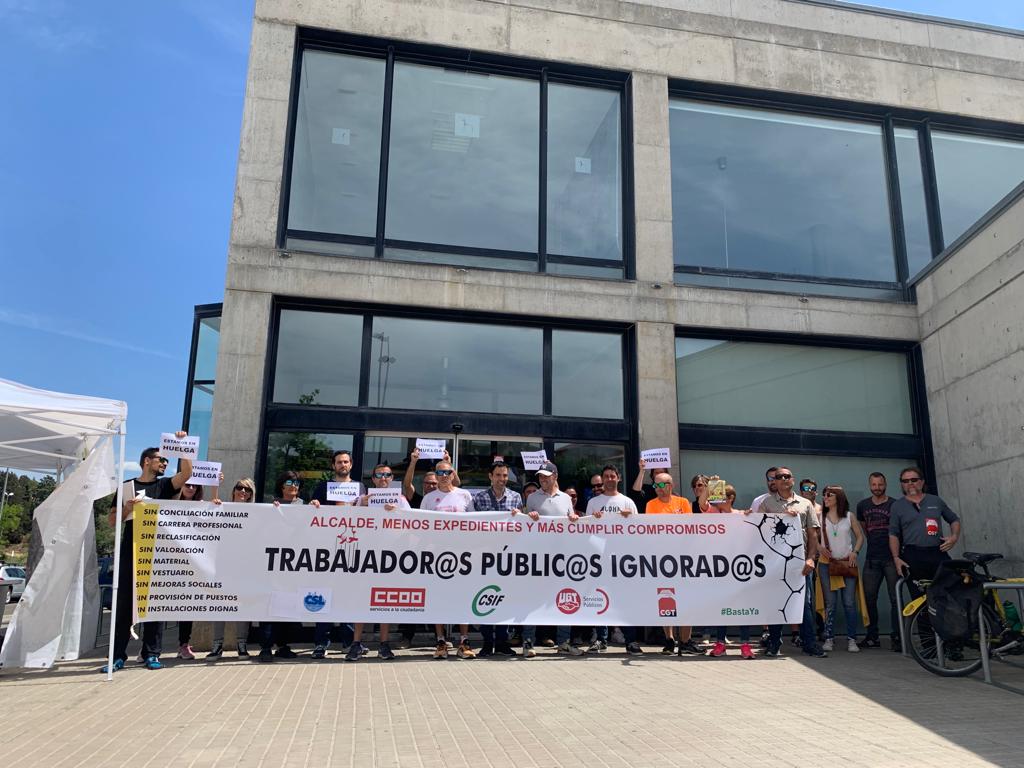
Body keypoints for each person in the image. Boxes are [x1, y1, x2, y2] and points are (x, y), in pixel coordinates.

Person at [102, 438, 193, 673]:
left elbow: (186, 473)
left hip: (156, 551)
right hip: (130, 550)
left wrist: (181, 445)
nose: (164, 463)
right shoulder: (126, 487)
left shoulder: (163, 486)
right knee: (123, 605)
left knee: (155, 605)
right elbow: (112, 521)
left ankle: (151, 653)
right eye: (160, 459)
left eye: (166, 460)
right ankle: (117, 656)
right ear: (146, 461)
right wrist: (127, 509)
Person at [750, 466, 826, 658]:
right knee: (776, 601)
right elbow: (757, 531)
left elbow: (813, 533)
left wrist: (811, 559)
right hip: (775, 563)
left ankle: (809, 643)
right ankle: (774, 643)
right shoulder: (766, 504)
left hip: (800, 562)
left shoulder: (805, 504)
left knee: (804, 604)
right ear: (773, 481)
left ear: (793, 480)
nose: (783, 479)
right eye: (779, 477)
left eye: (787, 476)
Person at [345, 464, 410, 661]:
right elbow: (343, 521)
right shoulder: (361, 499)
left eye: (387, 475)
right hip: (365, 557)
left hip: (390, 557)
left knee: (384, 600)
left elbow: (413, 522)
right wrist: (360, 506)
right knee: (360, 599)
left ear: (392, 479)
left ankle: (384, 644)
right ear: (372, 479)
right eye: (379, 475)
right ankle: (356, 644)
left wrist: (397, 511)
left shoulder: (401, 500)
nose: (383, 478)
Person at [519, 461, 581, 657]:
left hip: (562, 557)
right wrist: (531, 516)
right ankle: (528, 641)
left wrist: (574, 520)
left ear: (555, 476)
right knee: (532, 599)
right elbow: (526, 524)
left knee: (565, 597)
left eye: (546, 476)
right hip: (538, 557)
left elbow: (572, 522)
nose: (542, 479)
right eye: (540, 476)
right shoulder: (533, 498)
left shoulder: (565, 498)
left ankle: (564, 642)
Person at [421, 460, 476, 659]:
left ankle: (464, 641)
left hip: (462, 556)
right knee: (439, 598)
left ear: (453, 474)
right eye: (439, 472)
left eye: (447, 472)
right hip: (437, 556)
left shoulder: (465, 495)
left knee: (462, 598)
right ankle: (441, 641)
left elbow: (475, 525)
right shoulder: (429, 498)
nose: (443, 475)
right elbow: (421, 526)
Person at [586, 465, 643, 655]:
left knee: (626, 600)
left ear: (618, 478)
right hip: (599, 557)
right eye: (606, 476)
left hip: (623, 559)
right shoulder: (594, 502)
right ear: (603, 479)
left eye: (612, 476)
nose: (610, 479)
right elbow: (586, 531)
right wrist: (593, 519)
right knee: (600, 597)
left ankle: (631, 641)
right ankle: (601, 640)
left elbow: (637, 530)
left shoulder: (628, 502)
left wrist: (629, 519)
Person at [262, 471, 319, 661]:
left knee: (288, 606)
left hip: (294, 564)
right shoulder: (272, 505)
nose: (293, 485)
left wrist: (317, 508)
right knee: (270, 607)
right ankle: (265, 647)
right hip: (274, 563)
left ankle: (283, 646)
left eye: (296, 482)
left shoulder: (305, 506)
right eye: (289, 481)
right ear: (281, 485)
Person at [469, 461, 522, 657]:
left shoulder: (516, 498)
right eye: (498, 475)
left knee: (504, 599)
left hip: (508, 557)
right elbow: (473, 527)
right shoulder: (480, 498)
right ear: (490, 476)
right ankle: (487, 642)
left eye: (505, 476)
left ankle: (501, 642)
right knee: (485, 598)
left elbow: (521, 528)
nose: (502, 479)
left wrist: (520, 517)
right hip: (485, 557)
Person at [644, 472, 700, 655]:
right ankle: (669, 639)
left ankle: (685, 640)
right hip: (662, 558)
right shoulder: (651, 504)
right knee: (666, 599)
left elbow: (688, 527)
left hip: (683, 558)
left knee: (687, 599)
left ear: (671, 485)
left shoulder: (683, 503)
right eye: (655, 486)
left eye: (661, 485)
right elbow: (654, 528)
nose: (658, 489)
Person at [889, 467, 961, 596]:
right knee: (919, 596)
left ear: (922, 482)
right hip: (913, 555)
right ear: (902, 484)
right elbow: (893, 534)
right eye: (905, 481)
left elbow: (954, 519)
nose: (910, 483)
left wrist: (954, 537)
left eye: (914, 480)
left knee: (948, 592)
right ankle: (922, 617)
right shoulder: (897, 506)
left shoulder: (935, 501)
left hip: (937, 552)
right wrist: (896, 558)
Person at [207, 478, 256, 659]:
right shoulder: (222, 507)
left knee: (242, 605)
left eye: (247, 489)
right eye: (239, 488)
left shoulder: (256, 512)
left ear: (251, 494)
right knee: (220, 605)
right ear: (234, 490)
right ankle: (217, 645)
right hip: (222, 564)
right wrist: (214, 495)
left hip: (244, 566)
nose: (243, 491)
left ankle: (241, 644)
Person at [707, 484, 755, 659]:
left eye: (723, 497)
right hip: (720, 568)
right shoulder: (713, 513)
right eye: (717, 497)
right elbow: (705, 504)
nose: (719, 501)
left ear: (731, 498)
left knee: (742, 606)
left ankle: (745, 644)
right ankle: (720, 643)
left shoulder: (741, 515)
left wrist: (789, 516)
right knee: (722, 607)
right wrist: (713, 485)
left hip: (739, 568)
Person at [856, 472, 901, 650]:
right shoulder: (863, 505)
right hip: (872, 559)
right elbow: (864, 529)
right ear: (869, 485)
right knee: (869, 599)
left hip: (891, 558)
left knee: (895, 599)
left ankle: (897, 637)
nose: (877, 488)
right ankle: (872, 636)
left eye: (880, 484)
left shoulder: (895, 504)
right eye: (874, 485)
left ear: (885, 484)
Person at [818, 485, 864, 653]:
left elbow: (860, 536)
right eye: (824, 495)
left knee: (849, 603)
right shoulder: (819, 516)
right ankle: (829, 638)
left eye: (829, 495)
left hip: (847, 563)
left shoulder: (849, 516)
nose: (825, 498)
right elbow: (812, 537)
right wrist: (819, 547)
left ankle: (852, 639)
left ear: (839, 497)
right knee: (830, 603)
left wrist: (855, 552)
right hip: (826, 564)